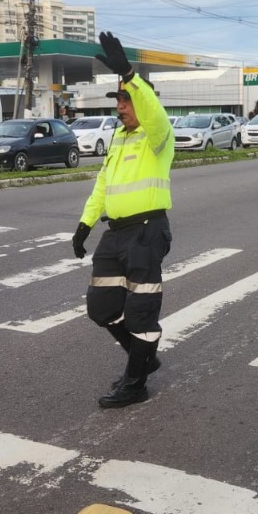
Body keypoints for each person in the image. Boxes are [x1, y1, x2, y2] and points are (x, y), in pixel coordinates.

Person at [72, 32, 175, 409]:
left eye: (126, 101)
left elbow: (153, 111)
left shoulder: (158, 135)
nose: (121, 108)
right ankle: (143, 358)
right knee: (101, 308)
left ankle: (135, 383)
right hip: (115, 235)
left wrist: (130, 74)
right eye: (118, 102)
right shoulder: (118, 138)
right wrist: (84, 224)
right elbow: (103, 183)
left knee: (141, 314)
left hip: (147, 232)